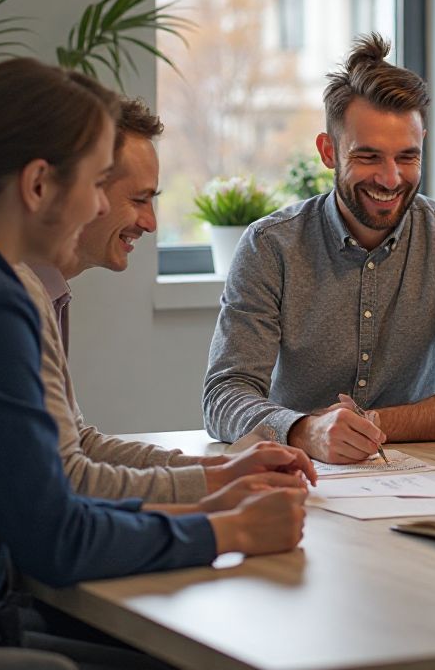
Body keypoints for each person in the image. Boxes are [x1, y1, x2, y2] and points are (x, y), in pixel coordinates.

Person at [0, 59, 310, 670]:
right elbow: (56, 540)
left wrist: (213, 501)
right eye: (92, 183)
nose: (94, 206)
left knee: (173, 666)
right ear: (36, 185)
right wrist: (228, 531)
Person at [204, 34, 435, 463]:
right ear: (328, 151)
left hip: (425, 477)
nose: (390, 179)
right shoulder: (269, 246)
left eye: (407, 157)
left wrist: (371, 424)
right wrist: (305, 431)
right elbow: (224, 394)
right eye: (369, 157)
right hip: (298, 475)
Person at [20, 97, 293, 509]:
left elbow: (79, 445)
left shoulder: (46, 290)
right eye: (137, 199)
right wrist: (222, 523)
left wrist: (215, 473)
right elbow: (69, 480)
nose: (151, 223)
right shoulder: (14, 293)